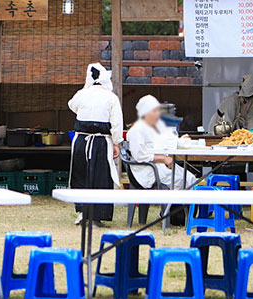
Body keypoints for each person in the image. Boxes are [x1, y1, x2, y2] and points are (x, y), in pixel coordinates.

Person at [67, 63, 123, 225]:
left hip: (81, 143)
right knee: (99, 177)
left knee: (82, 175)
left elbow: (72, 105)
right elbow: (117, 123)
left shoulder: (82, 94)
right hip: (100, 142)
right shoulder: (111, 97)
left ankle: (84, 212)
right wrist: (117, 143)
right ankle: (95, 215)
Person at [127, 95, 195, 190]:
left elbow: (164, 142)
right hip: (147, 171)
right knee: (182, 179)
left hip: (158, 166)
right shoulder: (137, 130)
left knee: (190, 178)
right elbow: (140, 156)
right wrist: (163, 159)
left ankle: (184, 204)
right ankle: (176, 204)